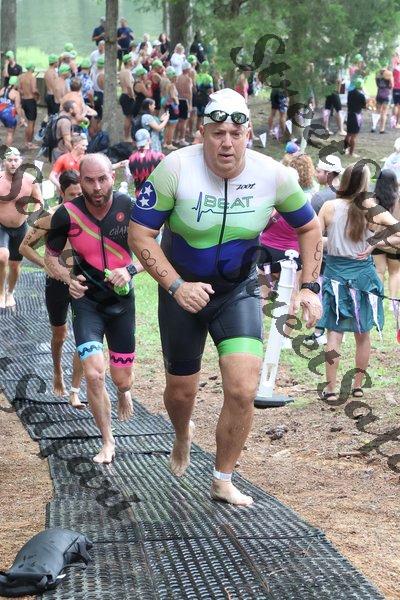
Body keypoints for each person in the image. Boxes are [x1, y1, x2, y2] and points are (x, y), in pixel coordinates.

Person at [129, 89, 323, 506]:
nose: (227, 143)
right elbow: (140, 234)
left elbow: (310, 227)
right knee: (181, 392)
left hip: (237, 291)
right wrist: (176, 286)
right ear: (203, 133)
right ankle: (182, 432)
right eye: (218, 133)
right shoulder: (175, 168)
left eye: (236, 134)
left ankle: (223, 478)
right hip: (182, 292)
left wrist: (309, 286)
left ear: (248, 134)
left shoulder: (274, 174)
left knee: (242, 388)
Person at [45, 154, 143, 464]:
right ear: (80, 180)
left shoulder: (129, 207)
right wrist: (67, 279)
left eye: (102, 179)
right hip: (87, 302)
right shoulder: (66, 214)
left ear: (113, 177)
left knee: (122, 379)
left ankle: (124, 391)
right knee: (94, 374)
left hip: (121, 303)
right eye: (89, 180)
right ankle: (107, 441)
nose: (97, 187)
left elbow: (155, 252)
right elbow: (50, 257)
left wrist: (130, 270)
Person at [317, 163, 400, 402]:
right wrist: (374, 243)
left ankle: (330, 389)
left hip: (335, 275)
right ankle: (357, 387)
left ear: (343, 181)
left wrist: (333, 242)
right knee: (363, 334)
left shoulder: (329, 206)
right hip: (363, 276)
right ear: (365, 184)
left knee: (334, 333)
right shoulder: (371, 209)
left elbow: (314, 237)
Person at [19, 170, 84, 404]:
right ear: (61, 193)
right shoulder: (50, 217)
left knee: (85, 336)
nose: (77, 198)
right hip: (56, 283)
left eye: (80, 194)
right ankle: (57, 372)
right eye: (72, 194)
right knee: (60, 334)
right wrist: (45, 264)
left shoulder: (89, 216)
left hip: (81, 281)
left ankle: (75, 389)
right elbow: (24, 247)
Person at [0, 147, 42, 308]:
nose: (12, 163)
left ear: (21, 161)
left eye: (15, 160)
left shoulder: (30, 180)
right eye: (9, 160)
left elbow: (39, 201)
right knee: (2, 257)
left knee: (15, 265)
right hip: (1, 226)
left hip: (20, 227)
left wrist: (34, 216)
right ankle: (0, 292)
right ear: (4, 161)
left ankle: (10, 292)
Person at [371, 169, 400, 298]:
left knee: (379, 271)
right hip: (395, 243)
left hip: (377, 241)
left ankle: (378, 298)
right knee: (395, 272)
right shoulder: (398, 200)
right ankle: (393, 301)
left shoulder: (373, 199)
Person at [128, 128, 165, 197]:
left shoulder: (131, 159)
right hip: (157, 196)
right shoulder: (159, 156)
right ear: (149, 140)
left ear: (136, 143)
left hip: (140, 197)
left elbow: (130, 178)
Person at [19, 63, 40, 149]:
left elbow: (19, 89)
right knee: (31, 123)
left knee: (28, 122)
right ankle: (29, 143)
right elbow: (34, 90)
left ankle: (26, 141)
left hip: (23, 100)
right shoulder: (32, 77)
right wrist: (38, 95)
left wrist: (24, 93)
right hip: (30, 101)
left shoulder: (21, 76)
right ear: (32, 68)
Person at [0, 76, 25, 146]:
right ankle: (8, 151)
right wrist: (21, 118)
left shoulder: (3, 89)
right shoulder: (16, 93)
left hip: (1, 113)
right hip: (9, 115)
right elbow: (18, 107)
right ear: (16, 84)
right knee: (10, 134)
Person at [345, 78, 366, 157]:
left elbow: (348, 103)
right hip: (356, 116)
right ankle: (351, 153)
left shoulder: (350, 93)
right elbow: (364, 106)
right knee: (354, 136)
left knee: (348, 134)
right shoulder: (361, 95)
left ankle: (345, 149)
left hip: (349, 114)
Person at [118, 53, 136, 141]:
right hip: (127, 96)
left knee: (128, 117)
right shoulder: (127, 72)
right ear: (128, 62)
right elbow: (129, 86)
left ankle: (127, 136)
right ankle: (126, 136)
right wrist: (133, 96)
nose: (133, 61)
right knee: (128, 118)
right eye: (132, 60)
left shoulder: (122, 71)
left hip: (124, 95)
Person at [163, 67, 179, 150]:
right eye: (175, 77)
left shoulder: (167, 84)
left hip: (168, 106)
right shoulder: (171, 85)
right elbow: (173, 96)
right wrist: (177, 101)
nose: (177, 79)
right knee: (172, 126)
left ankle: (165, 142)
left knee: (167, 125)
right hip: (173, 107)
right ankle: (169, 143)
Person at [372, 68, 393, 134]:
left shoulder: (377, 78)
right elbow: (391, 86)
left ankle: (374, 127)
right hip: (386, 95)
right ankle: (382, 129)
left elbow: (377, 85)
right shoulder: (388, 77)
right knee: (384, 113)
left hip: (379, 94)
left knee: (377, 111)